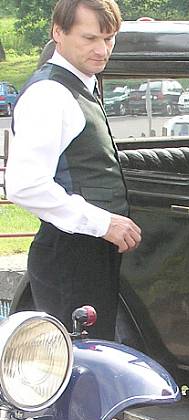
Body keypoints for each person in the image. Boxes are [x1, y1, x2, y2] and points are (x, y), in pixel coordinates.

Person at [6, 0, 141, 340]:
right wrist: (103, 222)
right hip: (69, 256)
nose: (101, 50)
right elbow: (24, 185)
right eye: (90, 38)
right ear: (58, 33)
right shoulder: (49, 94)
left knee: (96, 355)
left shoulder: (79, 83)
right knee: (78, 365)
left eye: (109, 39)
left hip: (88, 253)